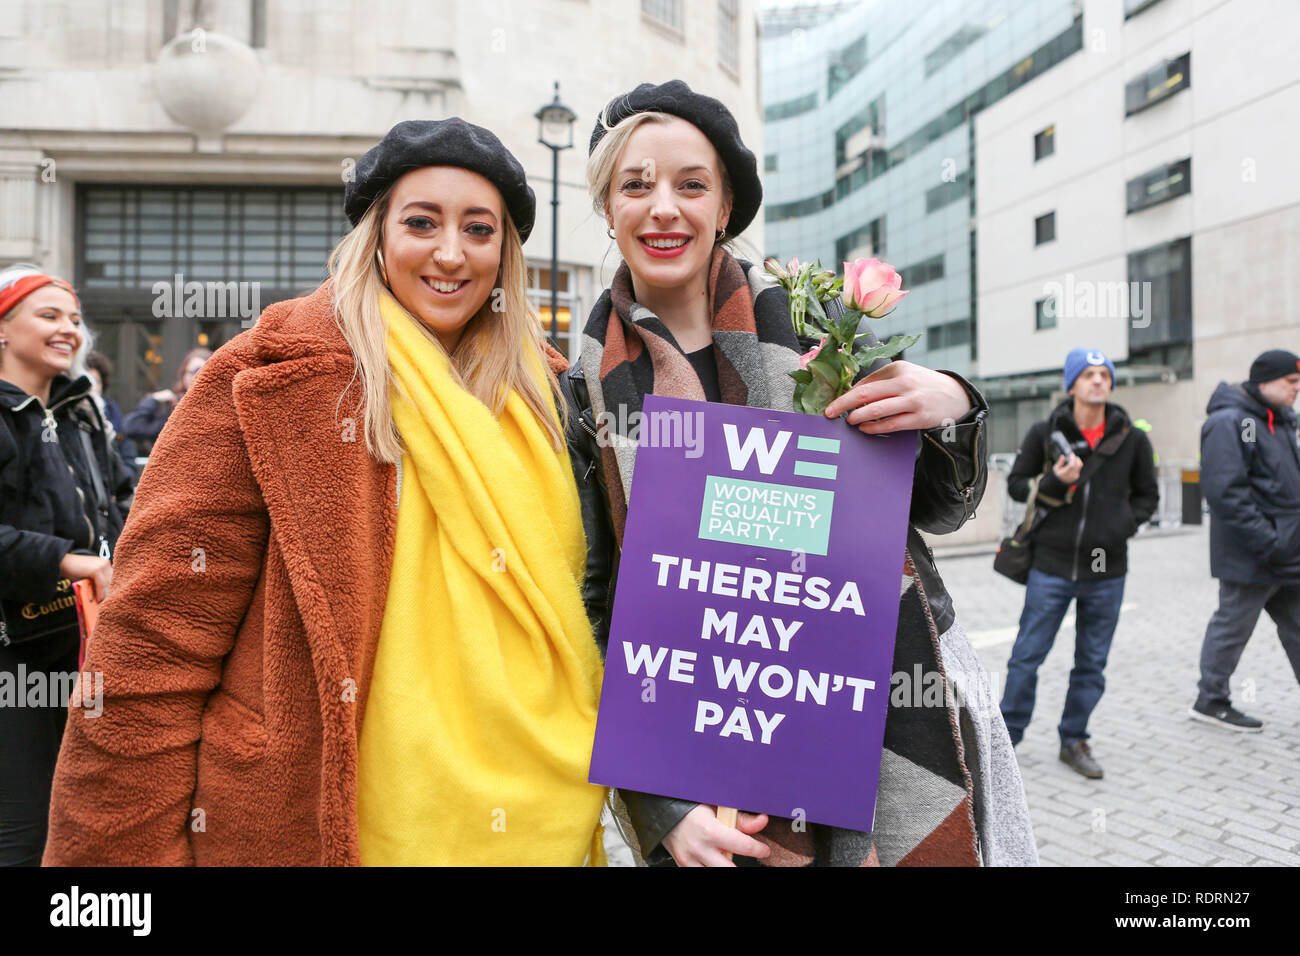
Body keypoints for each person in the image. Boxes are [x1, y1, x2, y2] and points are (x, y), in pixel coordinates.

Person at [44, 119, 609, 866]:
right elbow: (153, 645)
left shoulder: (552, 395)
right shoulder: (266, 376)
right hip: (319, 827)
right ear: (375, 236)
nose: (450, 252)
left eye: (480, 229)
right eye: (421, 223)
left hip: (545, 824)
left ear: (505, 252)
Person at [562, 80, 1036, 867]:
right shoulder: (580, 390)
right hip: (704, 756)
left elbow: (938, 510)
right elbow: (597, 606)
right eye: (635, 185)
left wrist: (953, 405)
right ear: (607, 208)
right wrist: (662, 808)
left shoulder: (821, 326)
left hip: (899, 708)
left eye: (691, 185)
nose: (663, 208)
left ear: (725, 208)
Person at [0, 265, 132, 866]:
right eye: (49, 315)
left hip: (87, 643)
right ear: (4, 329)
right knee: (24, 829)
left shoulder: (86, 412)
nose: (69, 330)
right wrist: (65, 559)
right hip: (14, 652)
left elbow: (127, 498)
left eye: (75, 320)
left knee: (87, 818)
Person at [1001, 348, 1158, 778]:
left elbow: (1148, 497)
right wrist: (1054, 481)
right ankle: (1006, 738)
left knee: (1091, 662)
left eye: (1104, 374)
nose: (1098, 381)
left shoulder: (1132, 438)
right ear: (1072, 384)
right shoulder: (1044, 432)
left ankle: (1074, 740)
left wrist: (1120, 525)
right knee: (1026, 657)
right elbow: (1016, 485)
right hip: (1050, 566)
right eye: (1088, 374)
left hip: (1107, 570)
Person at [1191, 348, 1300, 730]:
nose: (1296, 389)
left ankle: (1212, 697)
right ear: (1264, 381)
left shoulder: (1281, 421)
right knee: (1233, 627)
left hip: (1286, 553)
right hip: (1253, 554)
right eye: (1291, 381)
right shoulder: (1229, 421)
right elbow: (1226, 492)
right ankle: (1210, 700)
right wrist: (1270, 542)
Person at [121, 346, 210, 454]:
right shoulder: (175, 412)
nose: (198, 377)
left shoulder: (221, 409)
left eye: (202, 371)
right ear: (183, 376)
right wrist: (153, 400)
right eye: (194, 372)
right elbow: (132, 427)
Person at [86, 350, 137, 469]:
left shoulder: (112, 411)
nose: (92, 386)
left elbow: (127, 453)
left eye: (97, 381)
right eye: (88, 380)